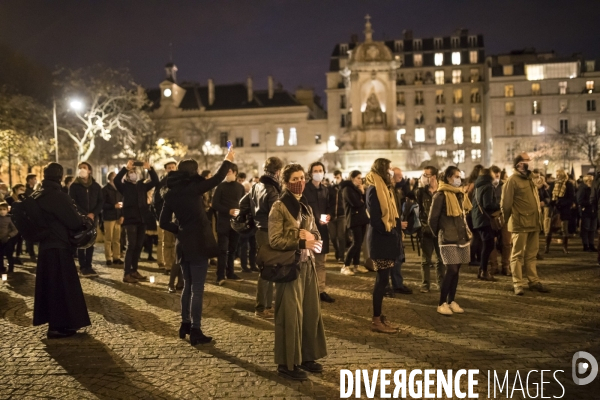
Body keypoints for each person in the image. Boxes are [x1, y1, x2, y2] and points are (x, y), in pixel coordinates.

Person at [160, 149, 235, 345]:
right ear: (193, 172)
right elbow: (217, 178)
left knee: (187, 286)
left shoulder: (171, 193)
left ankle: (185, 323)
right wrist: (227, 160)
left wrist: (179, 229)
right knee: (198, 289)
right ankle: (196, 329)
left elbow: (163, 222)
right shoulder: (194, 189)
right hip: (198, 243)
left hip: (183, 243)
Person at [269, 163, 327, 380]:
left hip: (308, 266)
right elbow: (274, 240)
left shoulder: (305, 206)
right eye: (294, 179)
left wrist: (314, 240)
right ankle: (287, 363)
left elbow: (316, 234)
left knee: (310, 313)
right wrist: (300, 241)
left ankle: (306, 356)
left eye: (302, 177)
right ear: (285, 182)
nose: (300, 182)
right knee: (290, 315)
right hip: (289, 267)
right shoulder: (279, 207)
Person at [33, 162, 91, 339]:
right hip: (59, 246)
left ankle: (57, 324)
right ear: (59, 176)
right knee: (61, 288)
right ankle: (58, 327)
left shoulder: (37, 195)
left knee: (50, 287)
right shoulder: (59, 196)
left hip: (45, 247)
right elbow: (73, 222)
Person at [501, 153, 550, 295]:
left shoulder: (530, 179)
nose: (531, 162)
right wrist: (506, 220)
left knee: (531, 254)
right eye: (527, 160)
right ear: (519, 164)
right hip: (520, 222)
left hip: (534, 222)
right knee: (517, 255)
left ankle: (533, 281)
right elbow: (506, 204)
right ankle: (518, 283)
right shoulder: (512, 181)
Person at [240, 156, 282, 319]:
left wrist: (254, 216)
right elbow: (276, 213)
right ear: (278, 172)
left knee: (268, 268)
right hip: (269, 230)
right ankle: (261, 307)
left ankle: (267, 305)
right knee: (267, 270)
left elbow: (242, 204)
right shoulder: (272, 189)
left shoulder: (256, 186)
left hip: (260, 229)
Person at [429, 166, 472, 316]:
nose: (458, 179)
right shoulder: (440, 195)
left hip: (461, 237)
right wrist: (440, 233)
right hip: (447, 238)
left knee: (456, 271)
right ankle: (441, 303)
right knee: (451, 269)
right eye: (455, 176)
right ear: (448, 177)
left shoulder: (459, 194)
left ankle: (451, 300)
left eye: (459, 176)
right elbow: (432, 219)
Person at [365, 159, 401, 333]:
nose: (391, 172)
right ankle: (376, 320)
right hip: (381, 240)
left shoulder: (385, 188)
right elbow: (375, 218)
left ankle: (379, 316)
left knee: (384, 280)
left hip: (386, 238)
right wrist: (389, 232)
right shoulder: (374, 189)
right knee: (381, 281)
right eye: (388, 169)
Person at [114, 160, 159, 283]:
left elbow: (155, 181)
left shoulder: (142, 185)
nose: (133, 174)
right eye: (130, 173)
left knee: (138, 246)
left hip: (142, 219)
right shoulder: (124, 187)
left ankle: (134, 270)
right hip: (131, 220)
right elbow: (116, 180)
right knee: (131, 246)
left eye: (134, 172)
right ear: (128, 176)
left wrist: (150, 168)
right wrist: (125, 168)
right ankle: (126, 273)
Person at [303, 161, 334, 303]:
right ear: (310, 173)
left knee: (321, 262)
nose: (318, 173)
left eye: (320, 170)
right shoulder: (304, 189)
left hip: (322, 230)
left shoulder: (325, 189)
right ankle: (308, 291)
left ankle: (321, 290)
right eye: (315, 170)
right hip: (308, 231)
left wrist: (328, 216)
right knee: (308, 262)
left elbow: (329, 207)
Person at [212, 163, 245, 285]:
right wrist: (228, 211)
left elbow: (242, 204)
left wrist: (240, 213)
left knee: (232, 250)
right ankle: (220, 276)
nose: (228, 173)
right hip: (223, 223)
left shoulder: (240, 187)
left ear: (235, 172)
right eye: (226, 171)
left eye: (230, 171)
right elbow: (215, 204)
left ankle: (230, 273)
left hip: (236, 224)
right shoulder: (220, 187)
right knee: (223, 250)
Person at [69, 162, 103, 277]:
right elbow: (72, 202)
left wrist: (93, 213)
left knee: (90, 242)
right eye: (80, 168)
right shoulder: (74, 186)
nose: (81, 170)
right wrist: (84, 214)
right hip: (80, 218)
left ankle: (89, 266)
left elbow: (100, 201)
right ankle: (83, 266)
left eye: (84, 168)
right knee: (81, 241)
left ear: (89, 171)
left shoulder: (96, 186)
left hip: (93, 219)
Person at [416, 166, 445, 293]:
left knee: (441, 259)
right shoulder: (420, 192)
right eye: (424, 174)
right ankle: (425, 284)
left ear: (434, 176)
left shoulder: (442, 191)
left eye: (427, 175)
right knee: (425, 260)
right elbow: (419, 211)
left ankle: (441, 283)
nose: (424, 177)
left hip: (439, 230)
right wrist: (422, 226)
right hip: (426, 230)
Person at [471, 168, 500, 281]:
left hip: (478, 219)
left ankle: (482, 270)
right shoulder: (488, 186)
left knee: (486, 244)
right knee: (488, 245)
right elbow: (487, 204)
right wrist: (498, 205)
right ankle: (483, 271)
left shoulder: (478, 186)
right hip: (485, 220)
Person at [341, 170, 369, 275]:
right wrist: (361, 194)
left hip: (361, 218)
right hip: (354, 219)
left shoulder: (357, 189)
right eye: (358, 178)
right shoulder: (347, 189)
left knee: (359, 243)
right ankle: (345, 265)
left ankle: (356, 265)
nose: (360, 180)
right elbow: (356, 203)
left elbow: (365, 203)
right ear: (352, 178)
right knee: (356, 243)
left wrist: (362, 194)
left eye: (361, 178)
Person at [154, 160, 177, 275]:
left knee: (177, 243)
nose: (171, 169)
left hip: (178, 217)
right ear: (166, 169)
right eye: (169, 167)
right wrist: (161, 216)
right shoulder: (162, 183)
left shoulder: (181, 181)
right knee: (167, 243)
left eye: (173, 167)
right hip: (167, 218)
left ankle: (177, 264)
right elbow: (156, 201)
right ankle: (168, 266)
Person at [390, 167, 412, 294]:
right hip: (391, 228)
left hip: (397, 228)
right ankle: (390, 286)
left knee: (398, 258)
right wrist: (398, 224)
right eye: (399, 176)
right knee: (391, 259)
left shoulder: (398, 189)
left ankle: (397, 284)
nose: (401, 178)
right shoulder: (388, 190)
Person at [488, 165, 511, 275]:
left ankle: (506, 265)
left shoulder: (505, 185)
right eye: (495, 173)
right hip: (491, 217)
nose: (497, 175)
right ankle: (494, 265)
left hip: (504, 216)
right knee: (491, 243)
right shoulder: (487, 186)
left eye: (498, 173)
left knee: (506, 242)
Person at [102, 171, 124, 266]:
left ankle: (116, 257)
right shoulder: (105, 189)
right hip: (109, 217)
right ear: (110, 178)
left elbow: (123, 202)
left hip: (117, 216)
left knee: (117, 239)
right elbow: (102, 204)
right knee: (108, 239)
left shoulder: (119, 189)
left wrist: (122, 215)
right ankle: (108, 258)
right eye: (115, 176)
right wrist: (113, 206)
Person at [552, 169, 576, 254]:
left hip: (565, 209)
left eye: (559, 175)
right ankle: (547, 247)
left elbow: (571, 197)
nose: (557, 176)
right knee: (551, 228)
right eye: (557, 175)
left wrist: (562, 203)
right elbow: (553, 196)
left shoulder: (568, 184)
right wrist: (554, 203)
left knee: (564, 229)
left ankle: (565, 247)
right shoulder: (555, 184)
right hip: (556, 209)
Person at [465, 165, 483, 267]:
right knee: (476, 236)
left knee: (477, 236)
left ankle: (477, 258)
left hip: (470, 213)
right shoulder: (474, 185)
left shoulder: (469, 184)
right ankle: (472, 258)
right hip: (473, 214)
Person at [328, 170, 346, 263]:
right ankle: (337, 250)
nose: (336, 179)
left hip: (342, 215)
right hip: (331, 216)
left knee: (341, 237)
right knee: (333, 237)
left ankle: (341, 256)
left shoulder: (344, 187)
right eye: (334, 177)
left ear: (341, 177)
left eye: (337, 177)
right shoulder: (330, 188)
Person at [577, 175, 597, 251]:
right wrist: (590, 202)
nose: (590, 182)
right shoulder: (583, 189)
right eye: (589, 180)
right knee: (586, 228)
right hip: (586, 211)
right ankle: (586, 245)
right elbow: (579, 200)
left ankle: (591, 244)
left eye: (591, 180)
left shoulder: (593, 188)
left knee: (592, 229)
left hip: (593, 211)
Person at [0, 201, 18, 273]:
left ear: (7, 210)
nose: (2, 211)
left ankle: (11, 268)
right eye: (0, 209)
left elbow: (15, 230)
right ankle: (1, 268)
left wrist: (9, 236)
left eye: (4, 209)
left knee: (9, 255)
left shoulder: (9, 218)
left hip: (8, 240)